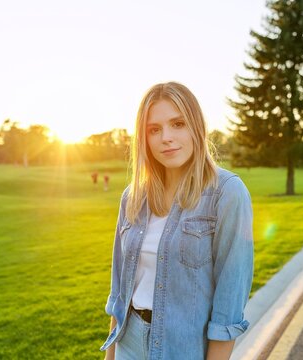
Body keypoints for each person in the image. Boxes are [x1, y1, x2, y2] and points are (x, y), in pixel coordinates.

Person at [100, 82, 254, 360]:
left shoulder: (228, 193)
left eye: (178, 124)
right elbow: (119, 293)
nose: (166, 138)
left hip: (184, 349)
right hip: (129, 342)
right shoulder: (132, 197)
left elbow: (229, 307)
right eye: (154, 130)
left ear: (196, 127)